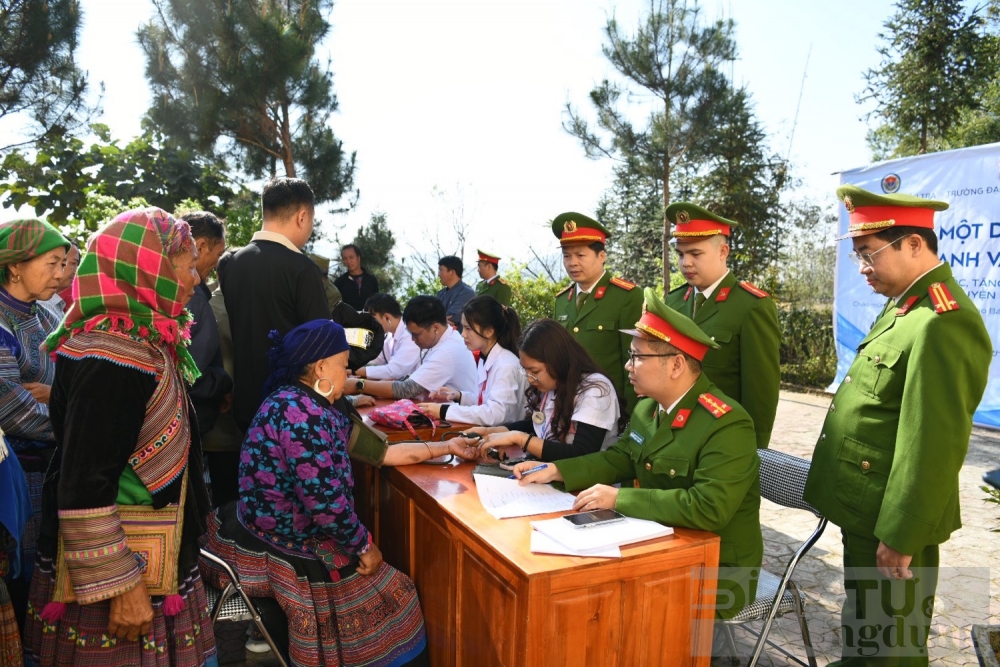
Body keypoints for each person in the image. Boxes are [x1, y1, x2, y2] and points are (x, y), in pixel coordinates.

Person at [803, 186, 992, 666]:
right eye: (858, 256)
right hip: (866, 507)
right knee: (864, 631)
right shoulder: (904, 305)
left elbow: (933, 442)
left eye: (870, 254)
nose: (863, 268)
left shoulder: (941, 321)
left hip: (893, 519)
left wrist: (903, 536)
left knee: (894, 647)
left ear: (914, 244)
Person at [25, 207, 217, 665]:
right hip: (126, 576)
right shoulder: (109, 355)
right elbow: (84, 479)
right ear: (148, 266)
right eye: (187, 266)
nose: (194, 280)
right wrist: (121, 584)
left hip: (154, 554)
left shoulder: (143, 339)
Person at [513, 289, 762, 620]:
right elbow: (619, 458)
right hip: (658, 543)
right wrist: (557, 470)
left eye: (638, 358)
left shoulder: (727, 424)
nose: (628, 366)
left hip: (719, 569)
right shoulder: (648, 409)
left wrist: (618, 499)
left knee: (601, 603)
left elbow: (708, 508)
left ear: (676, 365)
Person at [199, 320, 428, 667]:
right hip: (282, 538)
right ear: (321, 367)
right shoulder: (303, 417)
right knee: (397, 596)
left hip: (261, 524)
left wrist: (446, 446)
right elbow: (327, 507)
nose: (347, 371)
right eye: (343, 363)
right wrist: (365, 545)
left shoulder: (297, 402)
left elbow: (381, 454)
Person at [664, 202, 780, 449]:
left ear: (723, 252)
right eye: (681, 254)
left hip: (721, 442)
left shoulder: (751, 307)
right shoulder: (673, 302)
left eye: (696, 254)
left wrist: (752, 452)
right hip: (672, 438)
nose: (686, 263)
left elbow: (760, 396)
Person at [0, 218, 69, 632]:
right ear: (15, 267)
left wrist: (52, 393)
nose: (61, 275)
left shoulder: (43, 319)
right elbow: (12, 409)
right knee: (20, 582)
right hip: (14, 476)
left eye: (64, 264)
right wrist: (69, 418)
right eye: (52, 263)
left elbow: (69, 382)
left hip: (47, 467)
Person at [221, 176, 330, 432]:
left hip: (245, 405)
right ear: (302, 217)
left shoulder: (233, 264)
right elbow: (322, 348)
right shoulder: (302, 269)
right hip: (291, 412)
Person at [467, 318, 624, 462]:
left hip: (586, 487)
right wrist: (495, 432)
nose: (529, 378)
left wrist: (520, 438)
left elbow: (582, 453)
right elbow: (538, 425)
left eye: (534, 371)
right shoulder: (553, 384)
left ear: (557, 360)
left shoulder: (595, 390)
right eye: (525, 370)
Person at [551, 212, 643, 413]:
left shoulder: (626, 297)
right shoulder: (562, 301)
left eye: (580, 255)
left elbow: (635, 361)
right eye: (566, 256)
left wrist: (631, 416)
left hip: (610, 409)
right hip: (569, 407)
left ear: (602, 256)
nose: (572, 262)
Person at [344, 295, 477, 402]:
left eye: (416, 335)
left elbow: (406, 389)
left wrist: (359, 385)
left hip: (459, 418)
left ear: (435, 328)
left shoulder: (446, 351)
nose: (413, 340)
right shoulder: (442, 339)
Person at [418, 295, 527, 425]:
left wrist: (444, 411)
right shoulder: (485, 358)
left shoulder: (506, 365)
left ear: (489, 332)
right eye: (463, 327)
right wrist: (459, 396)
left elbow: (496, 414)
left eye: (468, 328)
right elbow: (483, 400)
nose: (463, 334)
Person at [357, 293, 420, 381]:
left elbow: (394, 370)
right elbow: (376, 359)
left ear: (386, 317)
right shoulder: (389, 335)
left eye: (372, 320)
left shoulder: (409, 335)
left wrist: (355, 371)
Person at [333, 243, 379, 311]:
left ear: (358, 257)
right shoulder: (340, 282)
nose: (348, 261)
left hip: (368, 320)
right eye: (345, 258)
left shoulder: (371, 280)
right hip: (347, 320)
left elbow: (377, 304)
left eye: (351, 257)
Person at [435, 255, 475, 331]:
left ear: (451, 272)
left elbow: (453, 317)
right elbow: (430, 314)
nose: (439, 274)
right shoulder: (441, 293)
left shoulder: (466, 293)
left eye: (441, 270)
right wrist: (440, 320)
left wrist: (435, 320)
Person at [41, 241, 80, 315]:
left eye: (76, 265)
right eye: (73, 263)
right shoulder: (40, 305)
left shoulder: (58, 304)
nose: (76, 270)